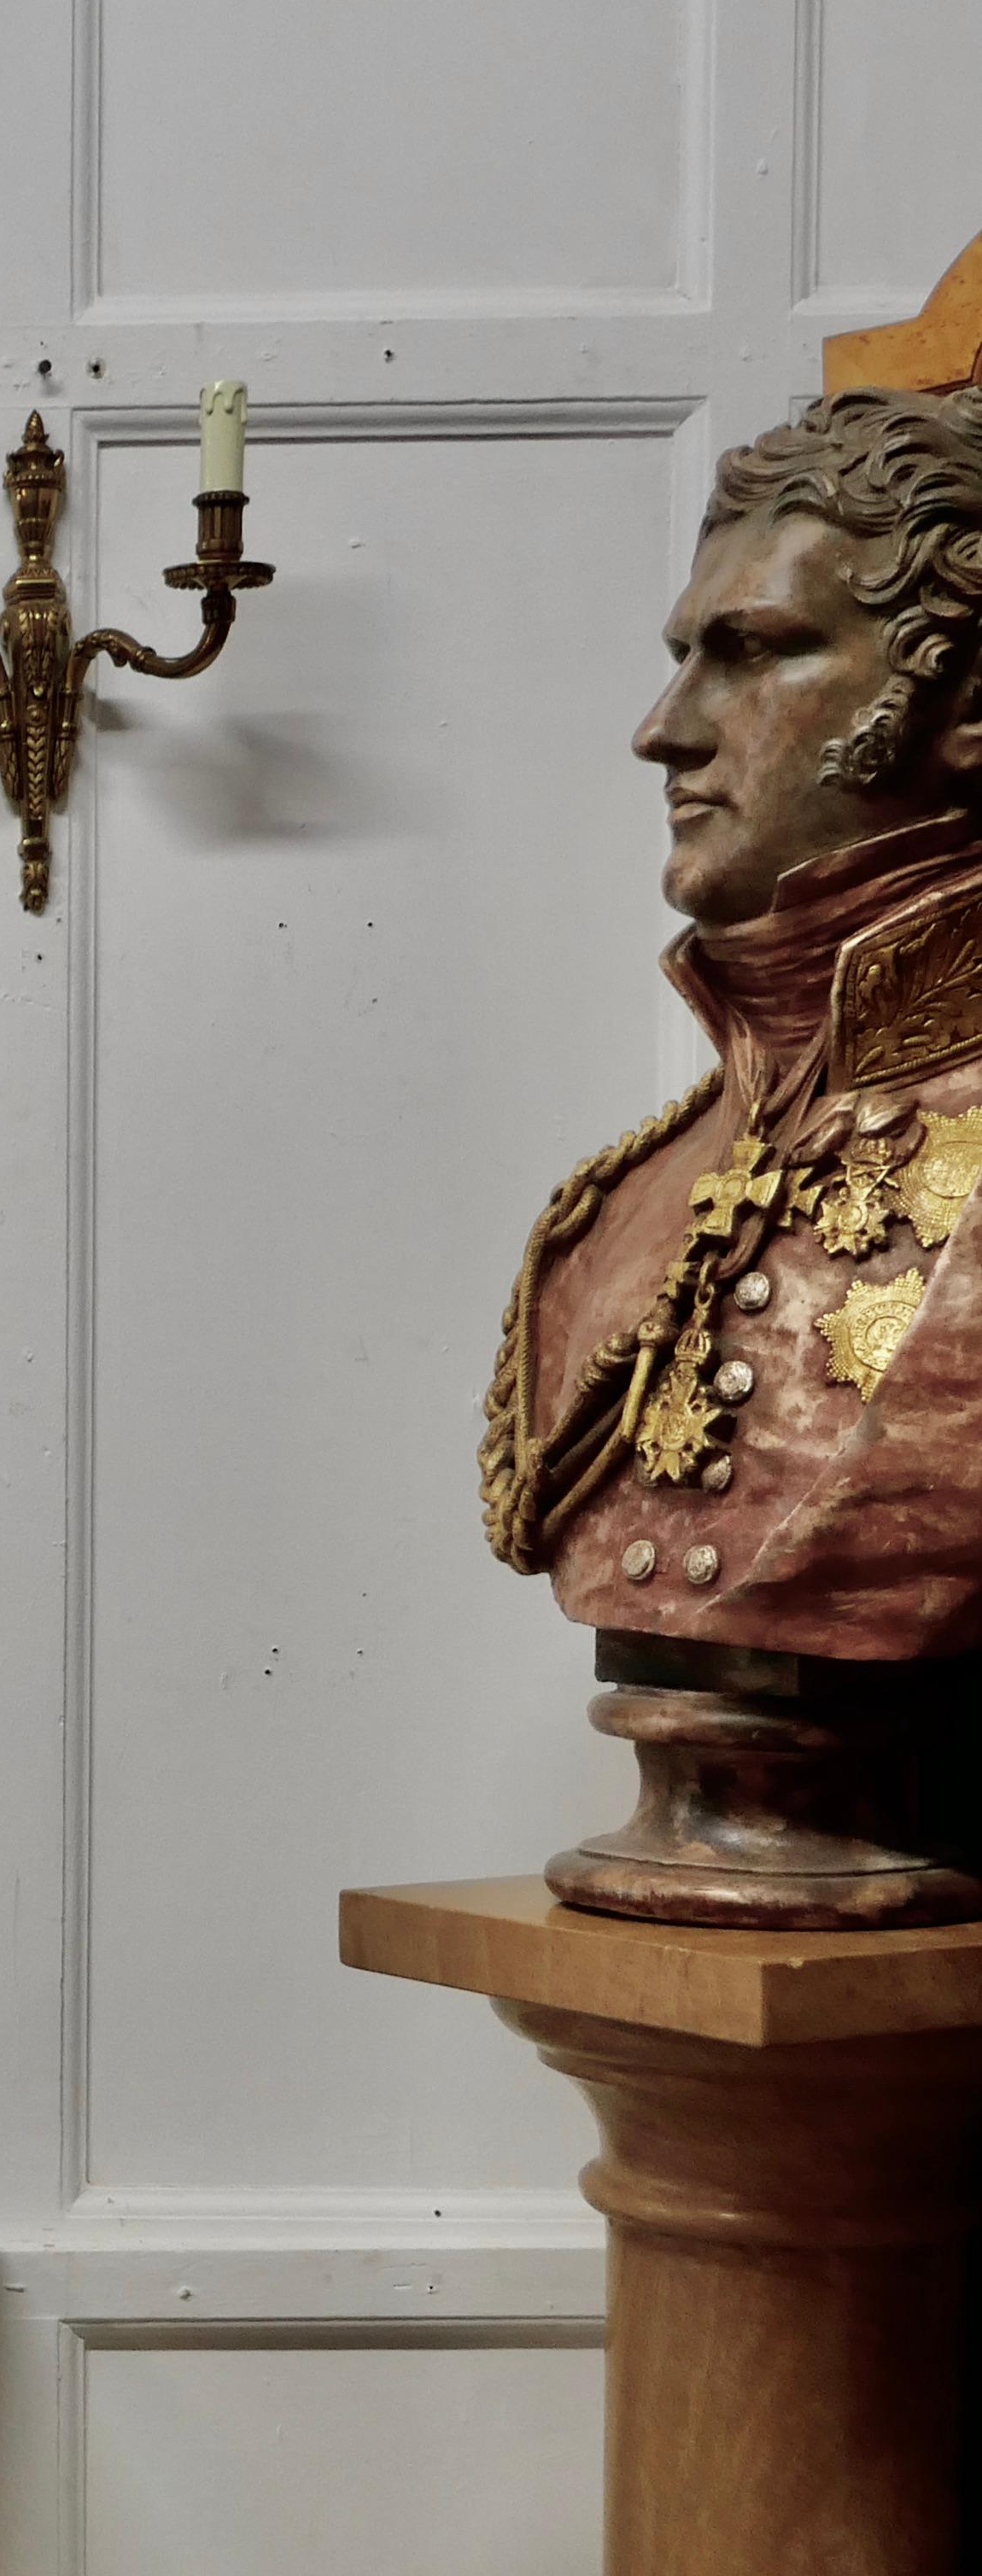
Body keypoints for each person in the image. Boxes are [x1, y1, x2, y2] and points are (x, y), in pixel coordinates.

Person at [485, 387, 982, 1656]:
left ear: (966, 703)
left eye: (757, 650)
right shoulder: (617, 1214)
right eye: (684, 656)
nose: (665, 732)